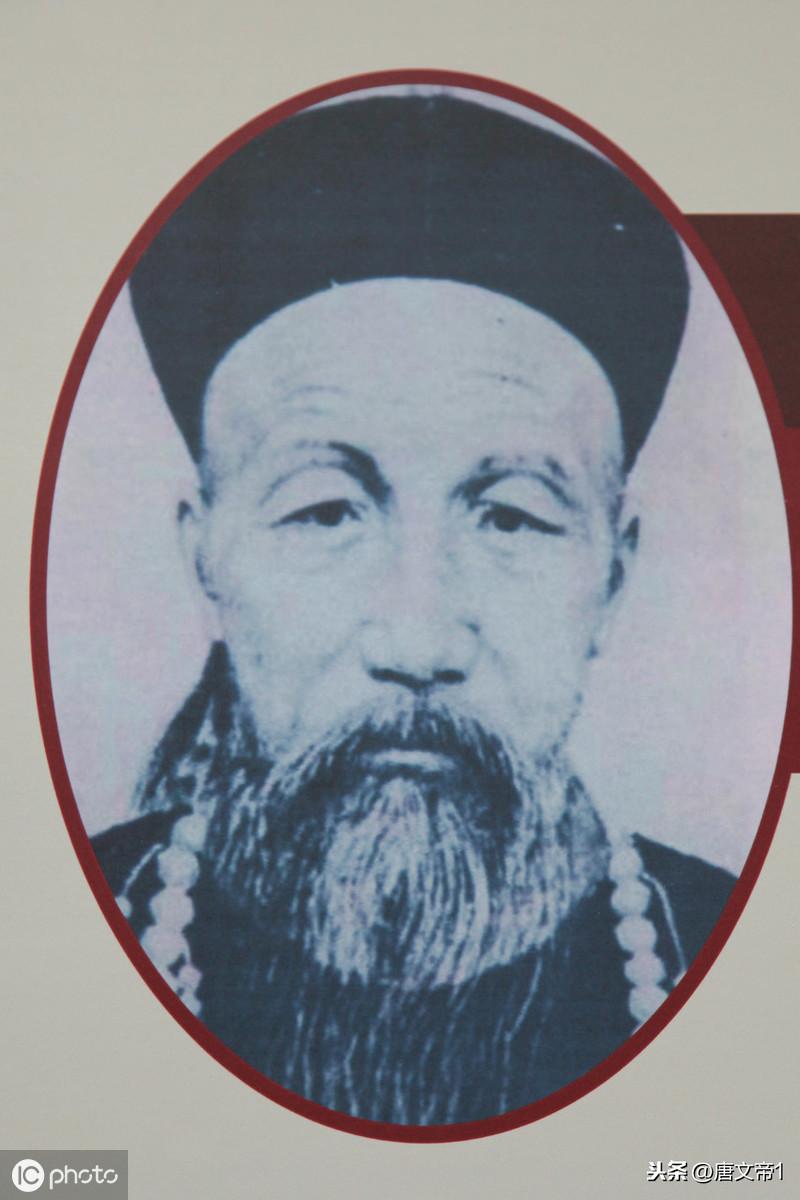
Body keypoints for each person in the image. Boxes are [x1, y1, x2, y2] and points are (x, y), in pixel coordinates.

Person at [91, 92, 734, 1125]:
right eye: (323, 511)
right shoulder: (49, 936)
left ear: (612, 578)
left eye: (513, 517)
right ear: (203, 556)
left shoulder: (740, 956)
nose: (418, 639)